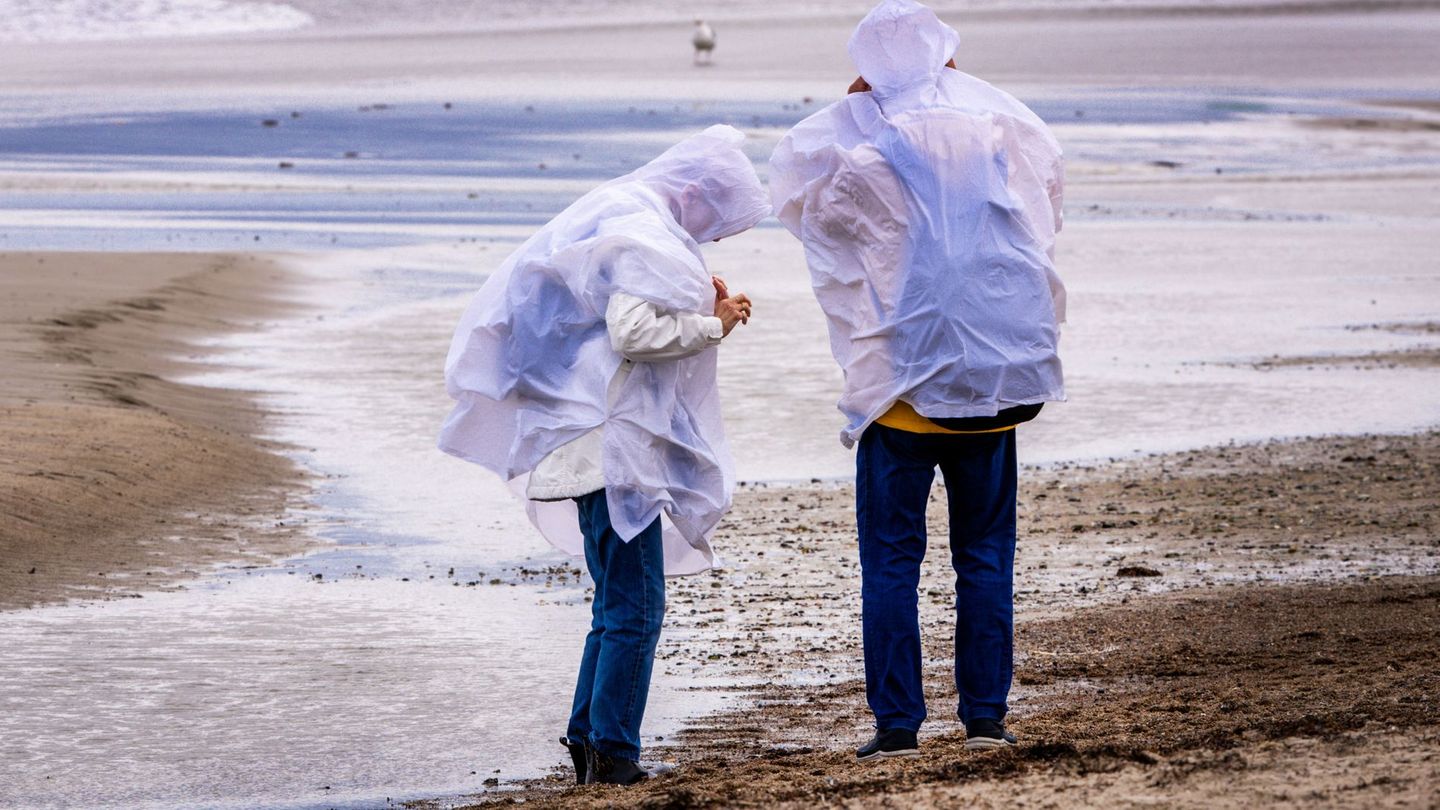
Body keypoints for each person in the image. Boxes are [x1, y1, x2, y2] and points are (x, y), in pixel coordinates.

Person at [768, 0, 1066, 759]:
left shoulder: (865, 156)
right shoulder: (992, 136)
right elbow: (1043, 207)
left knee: (893, 564)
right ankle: (986, 721)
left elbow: (818, 224)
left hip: (901, 395)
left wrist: (856, 111)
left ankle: (897, 727)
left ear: (870, 69)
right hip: (993, 389)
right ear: (944, 61)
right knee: (986, 558)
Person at [439, 125, 769, 785]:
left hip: (582, 443)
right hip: (611, 450)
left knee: (614, 602)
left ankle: (590, 738)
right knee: (638, 607)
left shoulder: (619, 214)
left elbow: (615, 322)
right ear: (696, 194)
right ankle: (614, 753)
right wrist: (716, 322)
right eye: (719, 220)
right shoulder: (645, 234)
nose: (716, 236)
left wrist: (703, 307)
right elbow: (634, 331)